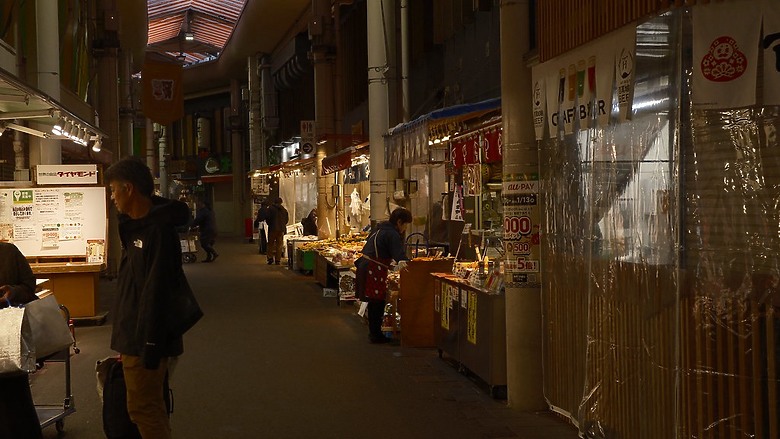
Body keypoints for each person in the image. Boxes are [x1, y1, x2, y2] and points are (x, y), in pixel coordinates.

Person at [106, 156, 194, 439]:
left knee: (144, 409)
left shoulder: (156, 231)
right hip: (136, 336)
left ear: (129, 188)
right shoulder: (137, 227)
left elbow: (156, 291)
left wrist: (149, 345)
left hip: (144, 339)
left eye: (113, 190)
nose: (112, 197)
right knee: (148, 407)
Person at [0, 242, 42, 439]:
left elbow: (29, 286)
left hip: (9, 340)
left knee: (15, 404)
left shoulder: (8, 252)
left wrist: (14, 292)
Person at [354, 208, 412, 344]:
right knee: (377, 301)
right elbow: (399, 256)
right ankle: (376, 335)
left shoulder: (379, 228)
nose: (405, 228)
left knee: (373, 301)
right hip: (374, 268)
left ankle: (374, 332)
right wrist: (411, 264)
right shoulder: (392, 234)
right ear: (399, 222)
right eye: (405, 225)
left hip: (367, 265)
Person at [267, 197, 289, 265]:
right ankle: (278, 260)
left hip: (272, 229)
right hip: (281, 229)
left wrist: (270, 224)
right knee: (279, 245)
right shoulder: (284, 210)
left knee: (270, 244)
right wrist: (282, 225)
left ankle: (270, 258)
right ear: (281, 202)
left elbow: (268, 218)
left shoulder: (270, 209)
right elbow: (286, 220)